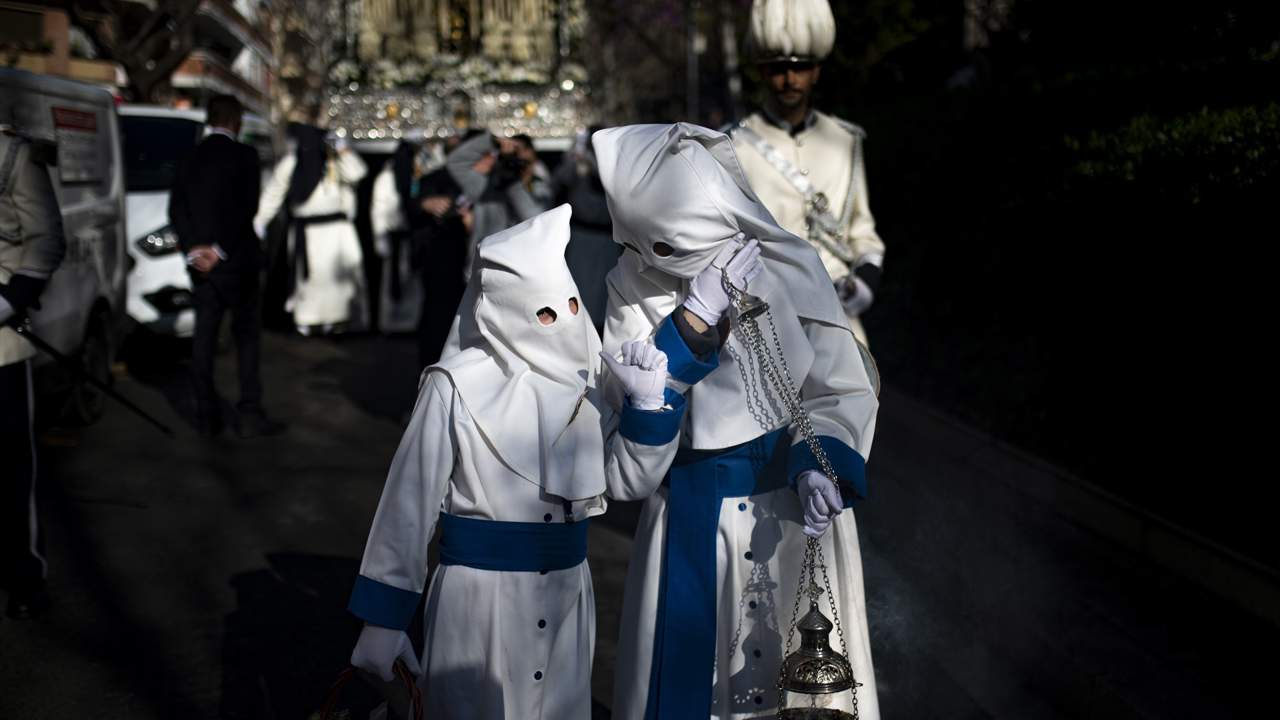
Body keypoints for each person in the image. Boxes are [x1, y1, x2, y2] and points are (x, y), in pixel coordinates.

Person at [346, 204, 681, 719]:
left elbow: (626, 482)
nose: (562, 324)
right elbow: (408, 505)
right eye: (542, 313)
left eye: (571, 306)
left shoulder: (587, 378)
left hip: (568, 596)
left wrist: (646, 411)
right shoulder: (453, 386)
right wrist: (384, 619)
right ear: (502, 313)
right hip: (477, 605)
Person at [593, 123, 882, 719]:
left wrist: (819, 464)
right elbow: (628, 445)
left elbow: (838, 386)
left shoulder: (785, 260)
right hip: (694, 517)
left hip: (793, 512)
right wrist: (689, 325)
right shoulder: (628, 285)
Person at [727, 0, 886, 344]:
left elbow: (863, 230)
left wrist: (867, 279)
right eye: (778, 67)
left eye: (801, 67)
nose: (789, 79)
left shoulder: (845, 140)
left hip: (839, 321)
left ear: (816, 70)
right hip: (764, 325)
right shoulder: (732, 146)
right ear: (762, 71)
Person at [169, 94, 283, 438]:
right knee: (246, 339)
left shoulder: (189, 156)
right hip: (239, 263)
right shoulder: (245, 156)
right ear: (236, 122)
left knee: (203, 339)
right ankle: (249, 410)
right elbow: (245, 209)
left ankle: (207, 415)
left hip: (202, 268)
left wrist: (194, 251)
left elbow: (176, 209)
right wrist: (219, 250)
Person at [0, 123, 66, 619]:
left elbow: (46, 239)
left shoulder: (12, 154)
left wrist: (8, 301)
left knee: (10, 468)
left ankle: (23, 575)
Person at [254, 120, 368, 334]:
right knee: (310, 282)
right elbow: (273, 193)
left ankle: (338, 322)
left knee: (339, 283)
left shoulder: (333, 161)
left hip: (337, 233)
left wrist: (343, 150)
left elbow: (358, 173)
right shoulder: (292, 162)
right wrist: (259, 221)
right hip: (307, 234)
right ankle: (307, 322)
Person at [446, 130, 552, 280]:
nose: (515, 157)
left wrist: (513, 184)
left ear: (531, 154)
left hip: (520, 273)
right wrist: (492, 142)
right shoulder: (486, 186)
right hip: (483, 272)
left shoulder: (540, 186)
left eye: (519, 151)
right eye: (511, 153)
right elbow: (455, 162)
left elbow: (535, 219)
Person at [370, 135, 440, 333]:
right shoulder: (387, 177)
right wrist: (380, 240)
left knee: (414, 281)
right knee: (394, 280)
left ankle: (410, 323)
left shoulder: (419, 175)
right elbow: (379, 209)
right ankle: (392, 324)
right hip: (395, 238)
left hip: (416, 237)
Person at [552, 126, 619, 333]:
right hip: (581, 236)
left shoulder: (614, 162)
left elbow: (609, 182)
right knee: (579, 291)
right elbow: (560, 180)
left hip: (606, 236)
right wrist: (575, 158)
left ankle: (599, 331)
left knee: (603, 294)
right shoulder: (578, 162)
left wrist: (592, 161)